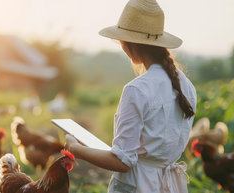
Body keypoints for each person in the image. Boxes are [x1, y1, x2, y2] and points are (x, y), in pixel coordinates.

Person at [64, 0, 197, 193]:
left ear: (128, 43)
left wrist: (76, 148)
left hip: (137, 185)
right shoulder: (187, 86)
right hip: (170, 187)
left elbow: (123, 162)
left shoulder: (137, 89)